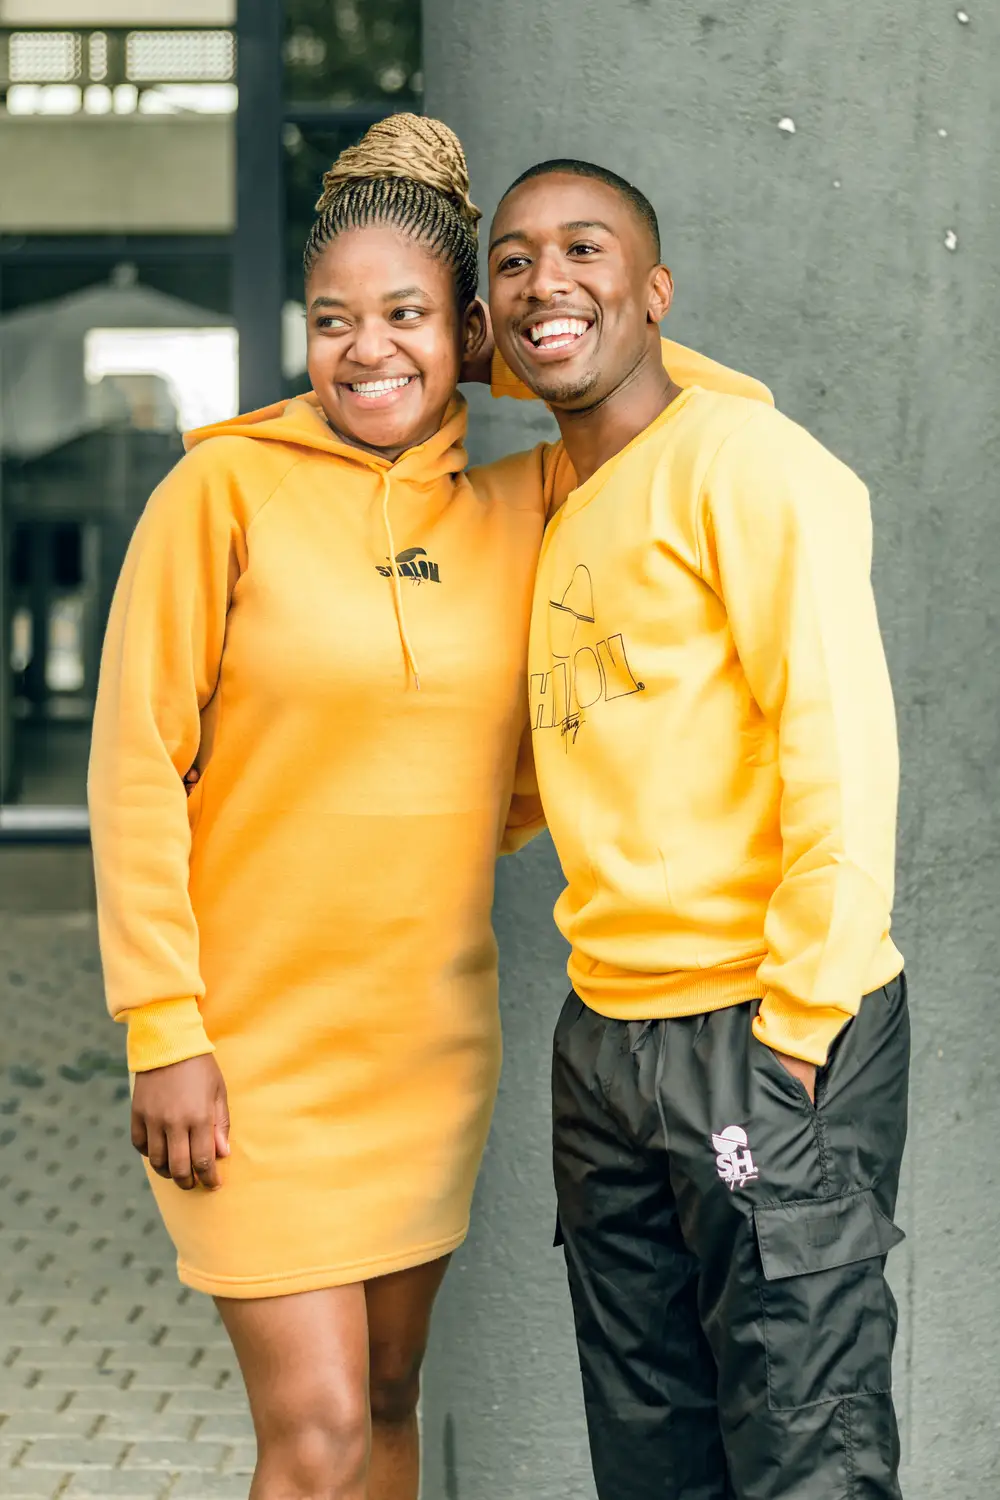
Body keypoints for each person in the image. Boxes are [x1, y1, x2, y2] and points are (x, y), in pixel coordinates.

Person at [88, 117, 759, 1500]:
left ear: (464, 329)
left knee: (391, 1404)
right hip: (245, 1055)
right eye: (333, 320)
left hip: (423, 1048)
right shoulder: (221, 489)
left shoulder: (529, 503)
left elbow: (718, 409)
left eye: (404, 316)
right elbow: (133, 770)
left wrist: (518, 332)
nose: (365, 349)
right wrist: (164, 1029)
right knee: (320, 1434)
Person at [487, 159, 908, 1499]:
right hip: (606, 1039)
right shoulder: (561, 502)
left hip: (763, 1027)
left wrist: (799, 1029)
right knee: (652, 1461)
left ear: (659, 292)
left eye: (584, 250)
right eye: (511, 262)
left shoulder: (750, 464)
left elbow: (839, 746)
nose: (544, 281)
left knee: (806, 1459)